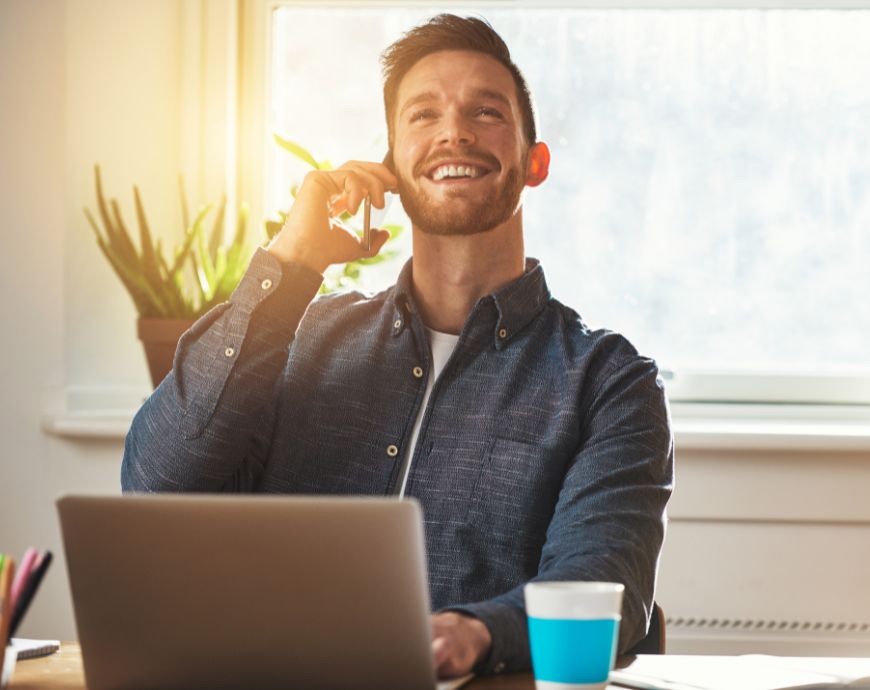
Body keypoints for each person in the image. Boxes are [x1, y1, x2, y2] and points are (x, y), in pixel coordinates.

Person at [121, 14, 674, 679]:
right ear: (389, 167)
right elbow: (156, 485)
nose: (455, 131)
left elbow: (602, 583)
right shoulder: (300, 342)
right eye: (423, 115)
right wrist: (292, 261)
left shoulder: (609, 381)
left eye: (486, 111)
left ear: (536, 162)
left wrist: (474, 631)